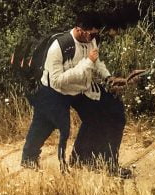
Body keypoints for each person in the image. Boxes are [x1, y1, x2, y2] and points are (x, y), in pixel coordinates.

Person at [20, 10, 131, 177]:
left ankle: (95, 161)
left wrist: (109, 78)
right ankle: (28, 161)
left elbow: (97, 62)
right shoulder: (58, 46)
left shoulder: (92, 40)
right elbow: (57, 80)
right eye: (91, 34)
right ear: (79, 29)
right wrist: (87, 63)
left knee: (109, 113)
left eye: (96, 34)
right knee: (43, 124)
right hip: (54, 92)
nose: (94, 37)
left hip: (79, 88)